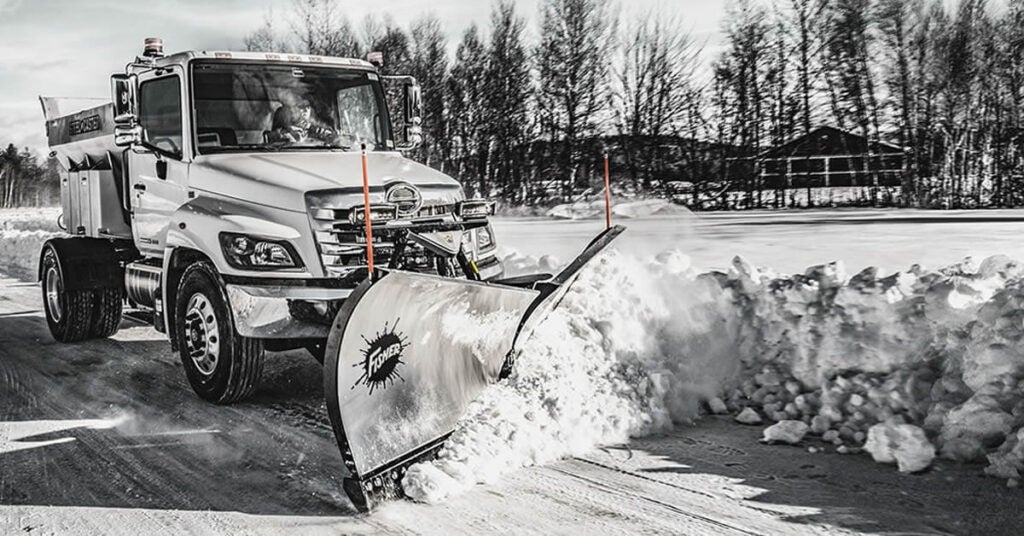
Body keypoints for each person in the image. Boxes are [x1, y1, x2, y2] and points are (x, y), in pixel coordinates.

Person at [267, 96, 335, 144]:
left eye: (307, 107)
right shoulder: (283, 132)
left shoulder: (314, 128)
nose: (306, 110)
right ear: (294, 109)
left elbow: (333, 139)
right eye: (301, 107)